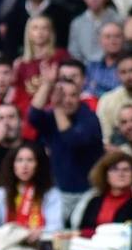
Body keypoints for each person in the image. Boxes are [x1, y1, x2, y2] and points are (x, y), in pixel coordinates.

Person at [29, 76, 106, 220]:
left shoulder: (89, 119)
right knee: (53, 230)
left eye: (73, 95)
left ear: (80, 97)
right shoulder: (51, 117)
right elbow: (33, 116)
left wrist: (57, 107)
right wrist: (47, 84)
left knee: (78, 229)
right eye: (62, 95)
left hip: (89, 192)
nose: (68, 100)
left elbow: (73, 141)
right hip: (59, 192)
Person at [71, 149, 132, 236]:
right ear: (105, 174)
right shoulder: (94, 201)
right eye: (115, 169)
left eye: (126, 169)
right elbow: (83, 230)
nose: (121, 174)